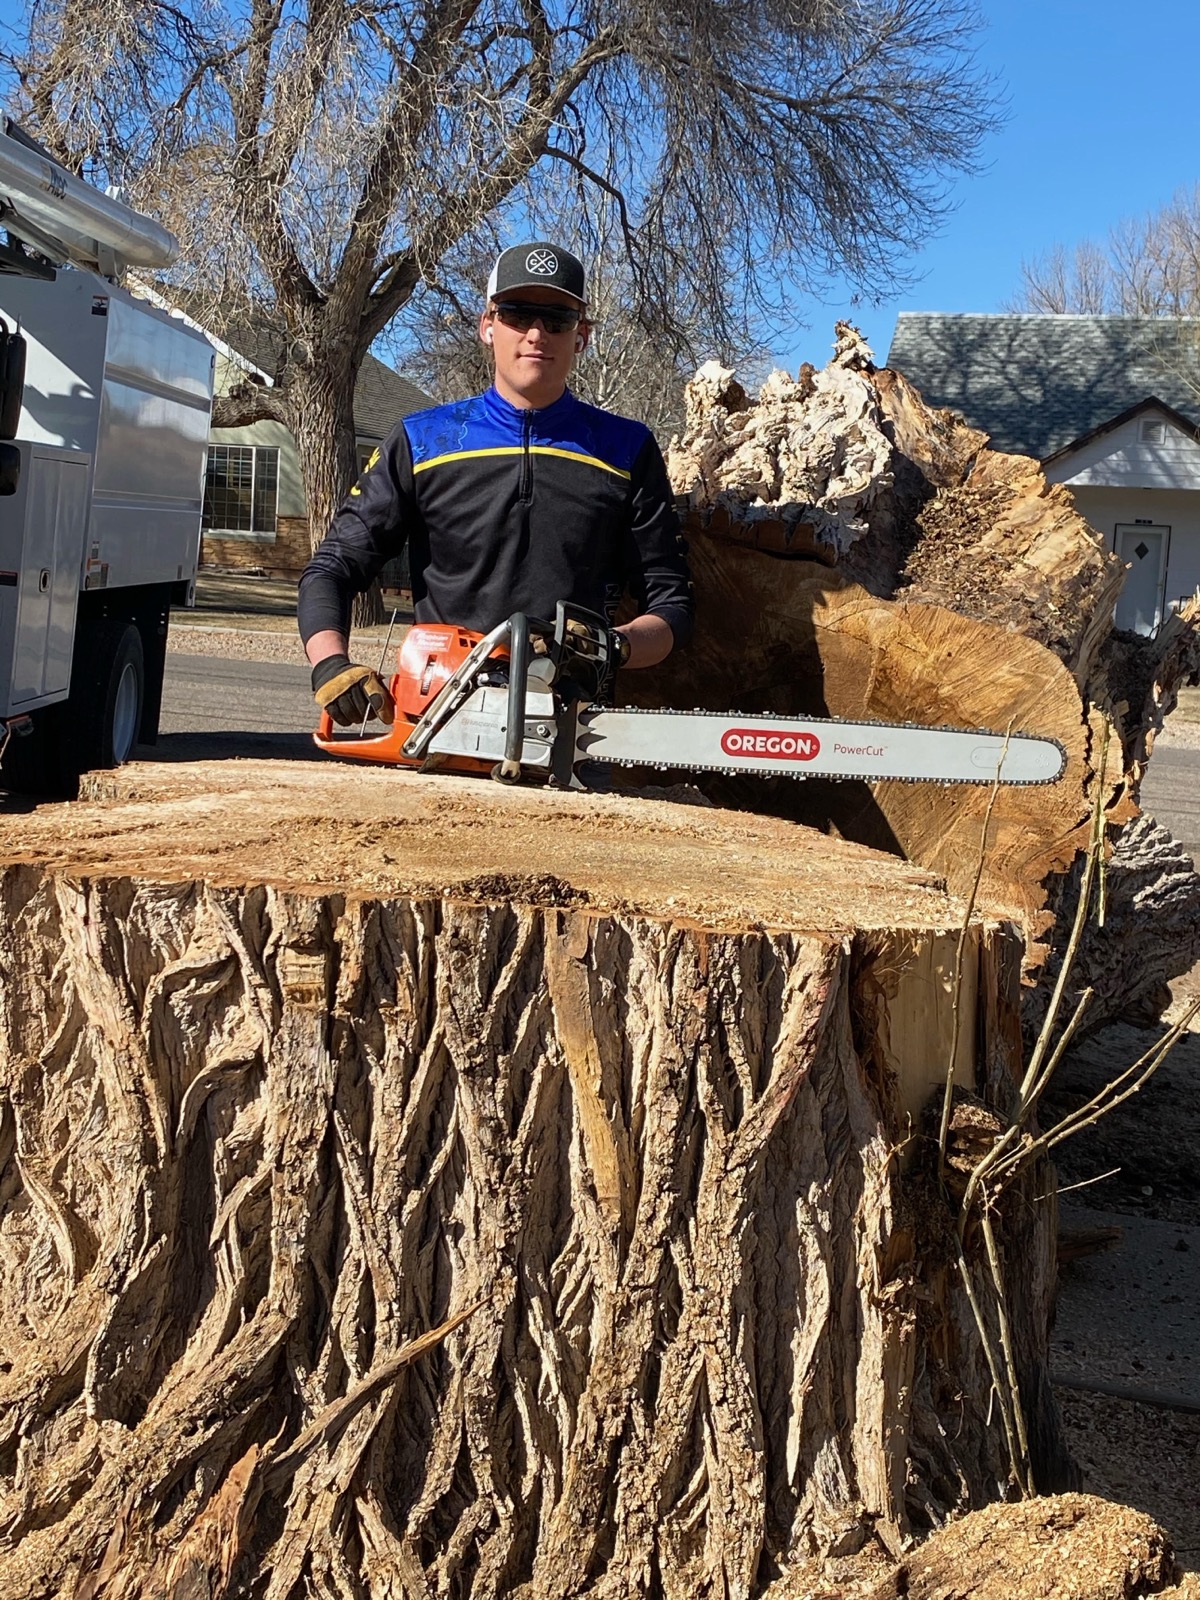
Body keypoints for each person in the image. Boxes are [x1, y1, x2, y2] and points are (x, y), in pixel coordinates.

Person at [298, 241, 694, 726]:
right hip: (434, 720)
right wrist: (331, 665)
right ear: (488, 325)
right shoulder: (422, 440)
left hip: (575, 729)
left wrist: (613, 645)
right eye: (517, 313)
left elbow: (672, 605)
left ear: (582, 335)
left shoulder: (627, 449)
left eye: (558, 319)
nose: (535, 333)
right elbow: (332, 569)